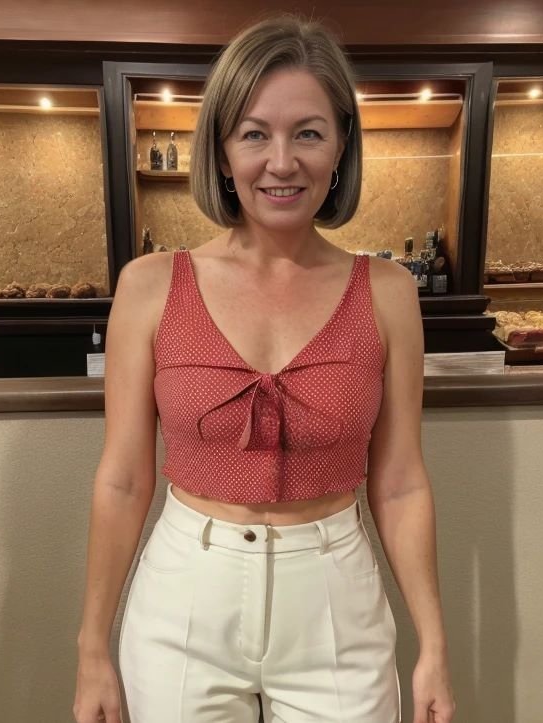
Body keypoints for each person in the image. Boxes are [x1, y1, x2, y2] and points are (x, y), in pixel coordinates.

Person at [74, 14, 455, 723]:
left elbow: (401, 483)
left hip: (336, 602)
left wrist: (433, 642)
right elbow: (123, 479)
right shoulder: (151, 287)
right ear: (222, 153)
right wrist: (92, 647)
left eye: (308, 133)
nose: (282, 162)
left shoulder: (388, 293)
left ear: (340, 146)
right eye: (254, 134)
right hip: (183, 602)